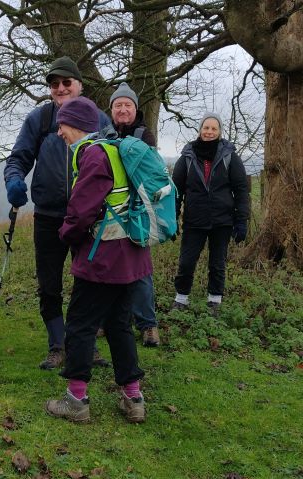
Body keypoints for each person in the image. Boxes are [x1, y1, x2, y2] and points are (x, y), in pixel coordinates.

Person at [44, 97, 150, 424]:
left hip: (102, 259)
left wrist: (64, 235)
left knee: (79, 324)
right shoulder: (116, 150)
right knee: (119, 325)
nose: (59, 131)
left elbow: (80, 212)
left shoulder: (94, 155)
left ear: (76, 123)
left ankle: (76, 400)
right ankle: (133, 399)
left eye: (62, 124)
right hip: (130, 256)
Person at [4, 56, 111, 370]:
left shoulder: (99, 119)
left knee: (88, 283)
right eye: (54, 83)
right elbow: (19, 156)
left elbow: (114, 162)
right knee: (49, 284)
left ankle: (85, 344)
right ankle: (57, 345)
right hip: (49, 216)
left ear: (79, 84)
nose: (60, 88)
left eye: (66, 82)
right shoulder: (40, 118)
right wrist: (13, 179)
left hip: (89, 216)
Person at [171, 113, 249, 315]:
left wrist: (242, 221)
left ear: (220, 131)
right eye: (206, 128)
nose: (209, 132)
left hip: (222, 220)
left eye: (214, 128)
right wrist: (171, 219)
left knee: (217, 263)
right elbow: (176, 190)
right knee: (186, 262)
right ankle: (181, 299)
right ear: (200, 130)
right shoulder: (187, 156)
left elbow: (241, 190)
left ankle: (214, 301)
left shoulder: (229, 156)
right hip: (194, 220)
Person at [104, 82, 160, 347]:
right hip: (110, 212)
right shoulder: (103, 134)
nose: (123, 109)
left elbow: (150, 173)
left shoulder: (144, 136)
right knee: (108, 269)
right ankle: (107, 320)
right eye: (118, 105)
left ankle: (148, 325)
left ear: (135, 109)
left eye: (127, 105)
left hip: (138, 212)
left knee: (140, 271)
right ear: (112, 110)